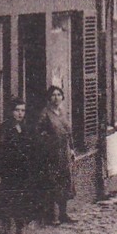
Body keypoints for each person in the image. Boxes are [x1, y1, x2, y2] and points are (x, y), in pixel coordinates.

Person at [0, 98, 38, 234]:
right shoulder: (3, 130)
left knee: (24, 204)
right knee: (9, 204)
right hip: (8, 173)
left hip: (24, 173)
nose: (20, 113)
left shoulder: (26, 128)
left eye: (23, 110)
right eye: (17, 110)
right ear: (11, 111)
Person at [33, 84, 75, 224]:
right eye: (53, 95)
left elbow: (69, 133)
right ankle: (53, 215)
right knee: (54, 181)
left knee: (65, 180)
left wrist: (72, 149)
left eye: (58, 95)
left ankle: (64, 213)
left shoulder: (63, 113)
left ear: (62, 97)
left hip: (65, 152)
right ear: (49, 98)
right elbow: (38, 132)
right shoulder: (45, 114)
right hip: (52, 153)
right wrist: (48, 141)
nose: (56, 98)